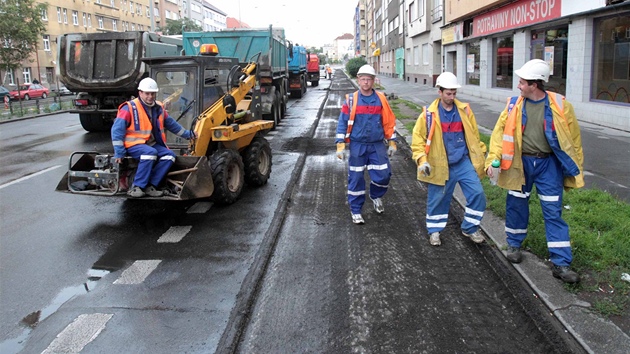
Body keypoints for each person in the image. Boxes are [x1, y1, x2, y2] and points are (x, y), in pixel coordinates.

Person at [486, 59, 584, 284]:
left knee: (553, 211)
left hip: (548, 165)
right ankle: (514, 245)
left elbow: (573, 140)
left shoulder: (561, 105)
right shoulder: (513, 105)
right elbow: (499, 135)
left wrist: (576, 169)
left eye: (522, 82)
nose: (518, 86)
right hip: (520, 164)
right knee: (516, 205)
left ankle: (561, 263)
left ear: (535, 85)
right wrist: (494, 160)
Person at [410, 72, 487, 246]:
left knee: (478, 194)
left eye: (454, 93)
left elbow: (474, 136)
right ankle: (434, 231)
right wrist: (422, 160)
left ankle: (470, 228)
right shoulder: (428, 115)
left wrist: (483, 155)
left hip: (463, 162)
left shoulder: (464, 111)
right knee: (437, 200)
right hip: (440, 164)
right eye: (448, 93)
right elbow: (417, 141)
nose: (452, 97)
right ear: (440, 92)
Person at [111, 77, 196, 198]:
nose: (150, 96)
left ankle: (151, 185)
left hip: (149, 144)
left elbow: (171, 124)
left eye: (153, 93)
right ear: (140, 93)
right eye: (147, 93)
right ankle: (137, 187)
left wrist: (189, 134)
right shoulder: (129, 108)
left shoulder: (158, 108)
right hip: (132, 145)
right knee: (150, 153)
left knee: (169, 156)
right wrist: (119, 152)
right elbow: (117, 130)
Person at [335, 64, 397, 224]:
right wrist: (340, 144)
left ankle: (376, 196)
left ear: (373, 81)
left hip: (377, 145)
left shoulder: (381, 99)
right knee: (356, 178)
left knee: (384, 175)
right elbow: (342, 122)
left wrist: (392, 142)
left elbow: (388, 121)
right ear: (358, 80)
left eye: (368, 79)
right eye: (363, 79)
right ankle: (356, 210)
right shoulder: (350, 100)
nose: (366, 83)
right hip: (358, 146)